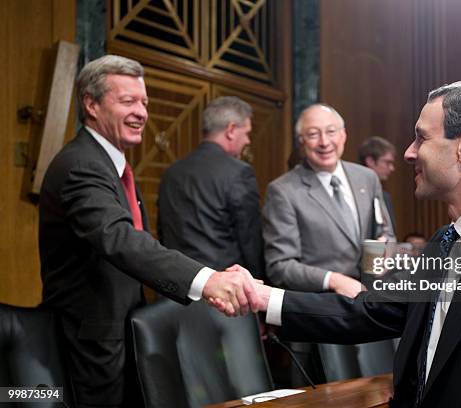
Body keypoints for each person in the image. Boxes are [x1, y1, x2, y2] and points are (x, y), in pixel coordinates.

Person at [225, 79, 461, 407]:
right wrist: (265, 300)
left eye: (421, 138)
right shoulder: (442, 245)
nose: (409, 152)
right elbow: (368, 311)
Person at [38, 55, 260, 407]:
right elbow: (121, 240)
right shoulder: (81, 165)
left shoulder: (113, 164)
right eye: (127, 101)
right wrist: (208, 280)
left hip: (125, 333)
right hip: (90, 344)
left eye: (144, 102)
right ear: (91, 104)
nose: (142, 112)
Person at [262, 103, 395, 298]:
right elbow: (280, 267)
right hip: (320, 308)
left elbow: (386, 233)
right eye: (314, 134)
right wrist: (334, 280)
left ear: (343, 135)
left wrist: (384, 252)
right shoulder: (283, 191)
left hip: (368, 302)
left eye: (331, 132)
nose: (324, 142)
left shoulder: (367, 178)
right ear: (301, 142)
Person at [157, 96, 264, 280]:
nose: (247, 141)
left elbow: (163, 231)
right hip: (222, 293)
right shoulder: (239, 172)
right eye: (246, 133)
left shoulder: (171, 173)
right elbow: (250, 241)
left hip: (176, 287)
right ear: (231, 130)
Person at [358, 136, 397, 230]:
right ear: (370, 161)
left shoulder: (385, 196)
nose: (392, 168)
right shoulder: (350, 193)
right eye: (387, 162)